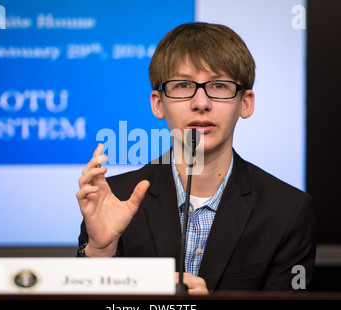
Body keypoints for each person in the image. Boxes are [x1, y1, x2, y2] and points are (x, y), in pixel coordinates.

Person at [76, 22, 316, 293]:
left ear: (245, 103)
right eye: (182, 85)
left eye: (218, 85)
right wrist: (101, 251)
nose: (201, 102)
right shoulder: (113, 197)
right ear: (158, 103)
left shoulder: (288, 210)